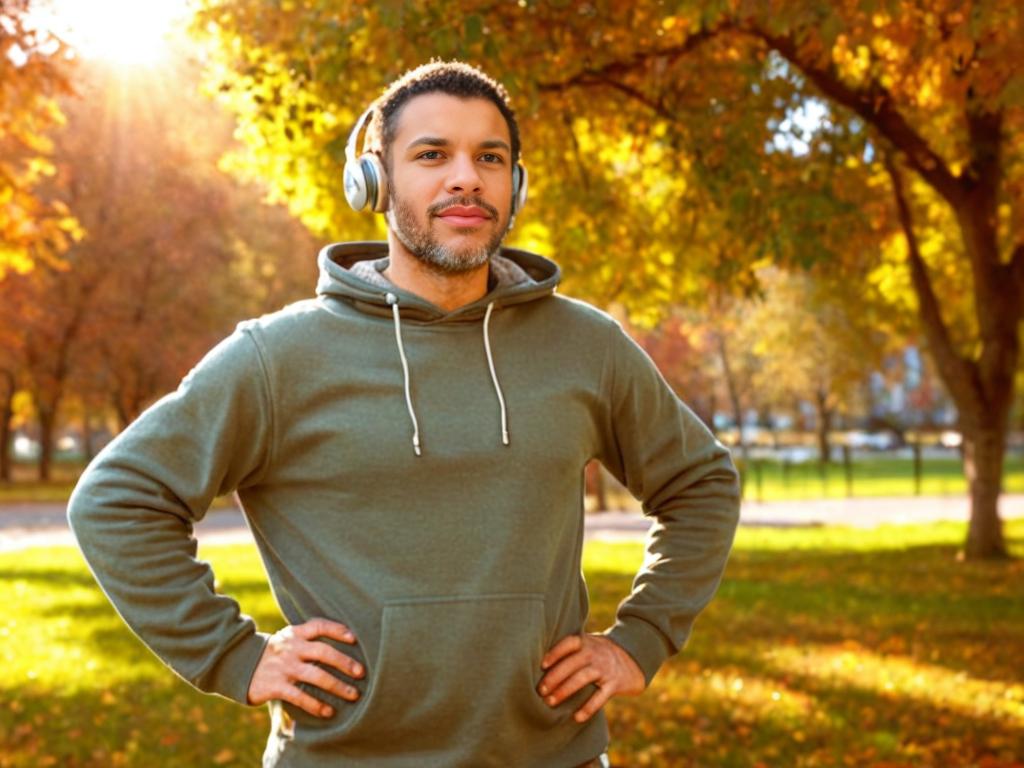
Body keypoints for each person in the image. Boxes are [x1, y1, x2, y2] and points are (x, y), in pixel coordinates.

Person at [68, 60, 741, 768]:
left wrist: (641, 639)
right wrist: (232, 654)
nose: (465, 178)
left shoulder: (586, 346)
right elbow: (117, 500)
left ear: (515, 185)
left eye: (490, 157)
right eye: (431, 155)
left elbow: (701, 484)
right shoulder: (279, 357)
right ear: (375, 184)